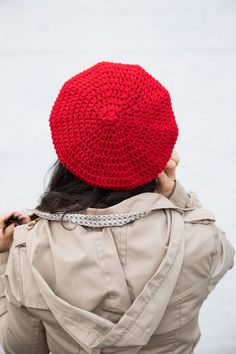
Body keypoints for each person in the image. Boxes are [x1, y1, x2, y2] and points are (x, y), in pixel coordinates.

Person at [0, 62, 234, 354]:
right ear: (158, 150)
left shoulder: (29, 253)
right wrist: (175, 196)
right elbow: (220, 247)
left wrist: (5, 260)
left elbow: (20, 349)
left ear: (69, 148)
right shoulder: (202, 242)